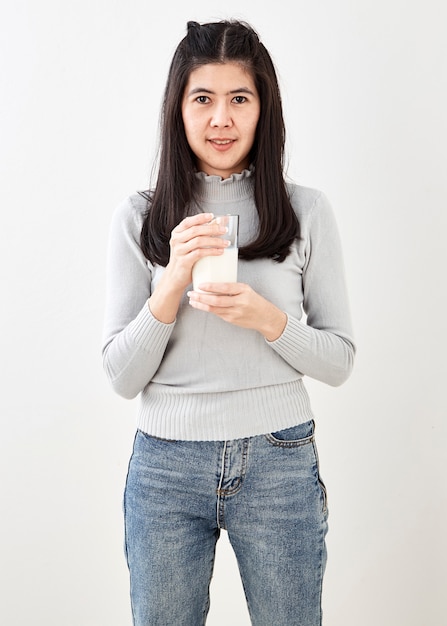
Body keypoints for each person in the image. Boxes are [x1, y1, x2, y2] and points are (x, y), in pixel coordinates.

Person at [102, 19, 355, 626]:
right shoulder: (139, 216)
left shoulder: (305, 210)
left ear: (263, 108)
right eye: (203, 99)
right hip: (165, 464)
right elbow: (120, 375)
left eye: (239, 99)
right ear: (178, 109)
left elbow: (340, 359)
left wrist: (269, 319)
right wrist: (170, 283)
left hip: (280, 460)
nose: (221, 119)